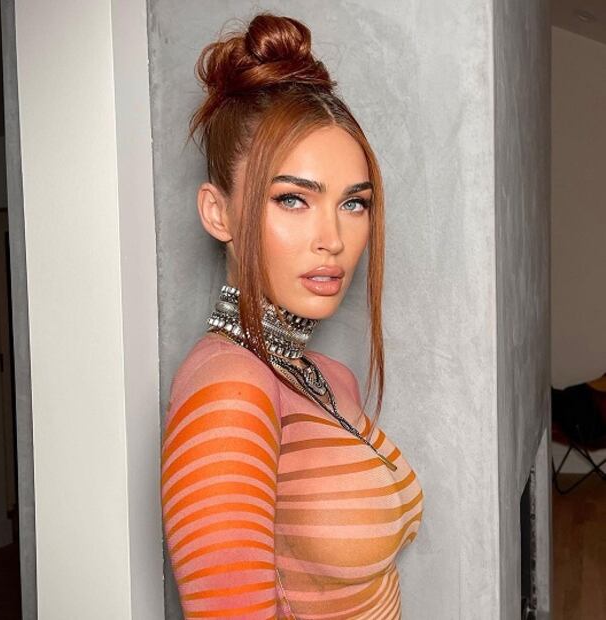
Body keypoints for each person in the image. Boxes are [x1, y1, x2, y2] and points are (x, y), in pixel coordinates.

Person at [161, 12, 424, 619]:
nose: (332, 238)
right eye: (293, 199)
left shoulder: (329, 377)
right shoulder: (229, 394)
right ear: (218, 212)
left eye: (354, 204)